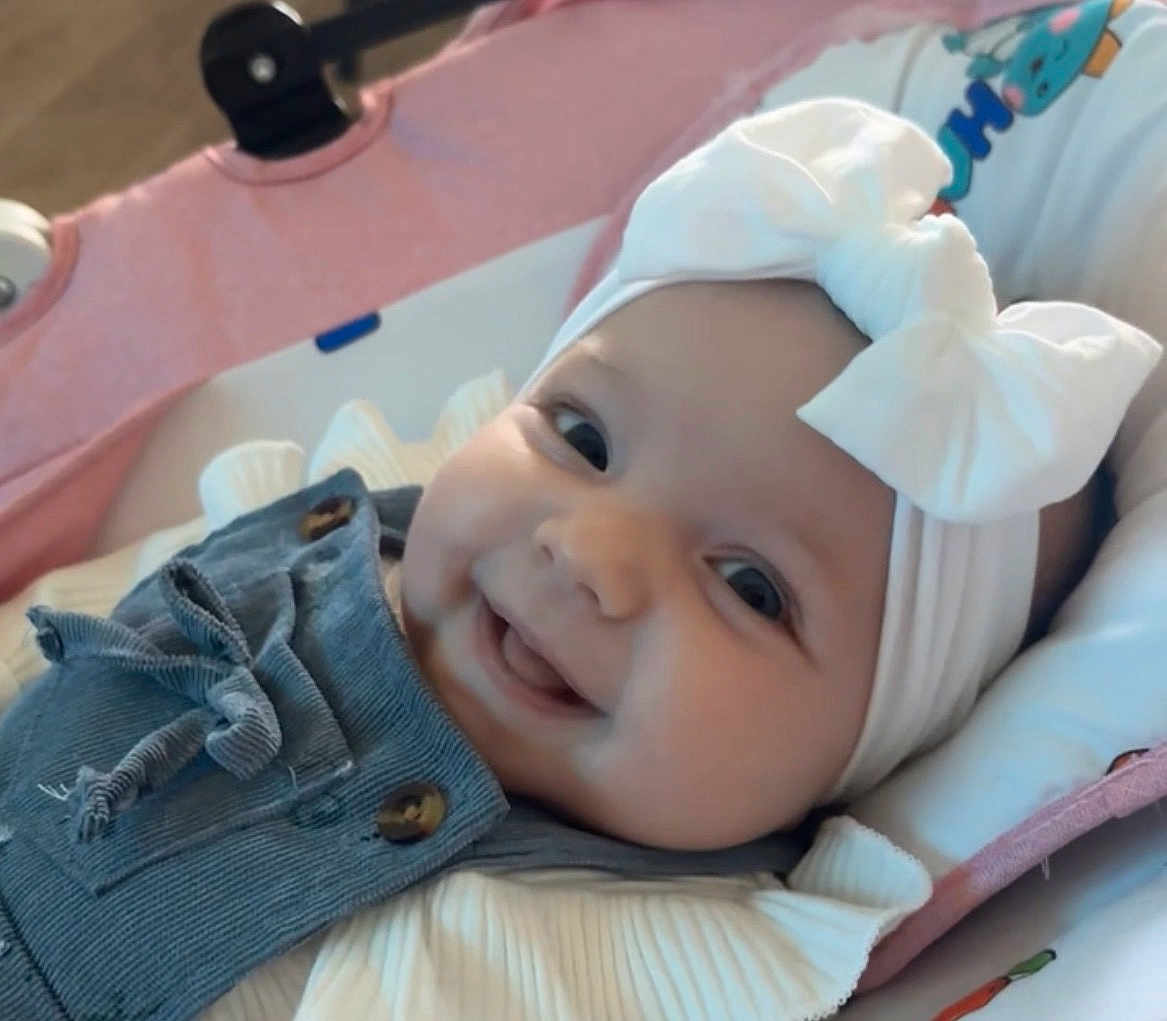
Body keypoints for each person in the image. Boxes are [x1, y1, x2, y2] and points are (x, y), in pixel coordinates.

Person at [0, 99, 1158, 1020]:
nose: (591, 551)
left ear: (859, 760)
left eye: (749, 585)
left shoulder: (628, 946)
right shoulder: (334, 521)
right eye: (582, 437)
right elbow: (79, 628)